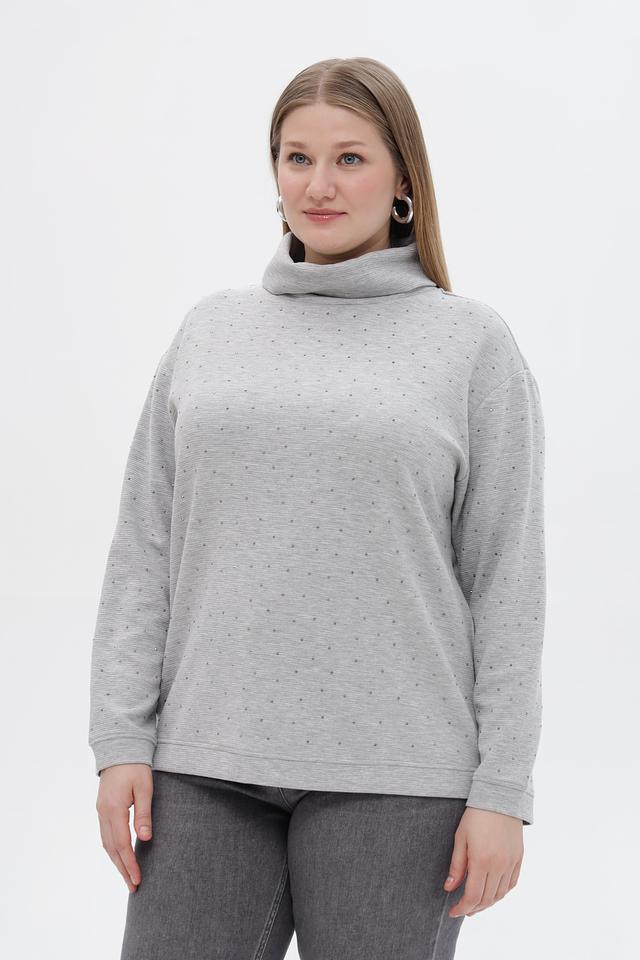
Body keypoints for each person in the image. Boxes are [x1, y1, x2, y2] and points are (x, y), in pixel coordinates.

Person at [89, 57, 546, 960]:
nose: (318, 184)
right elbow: (144, 547)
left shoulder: (471, 345)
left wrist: (502, 790)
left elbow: (507, 581)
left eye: (350, 158)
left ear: (403, 178)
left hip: (400, 776)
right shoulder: (210, 331)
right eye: (297, 158)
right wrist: (119, 738)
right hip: (203, 761)